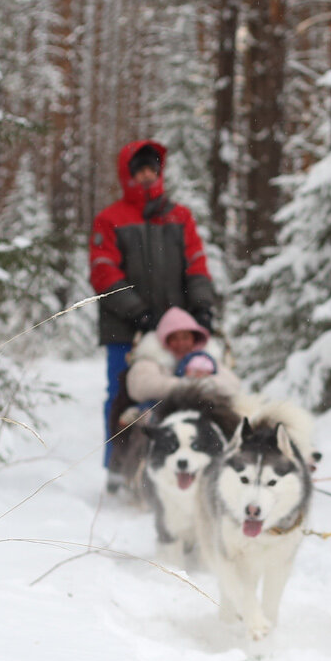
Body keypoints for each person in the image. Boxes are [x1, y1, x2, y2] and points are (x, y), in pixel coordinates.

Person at [89, 140, 218, 484]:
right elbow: (104, 272)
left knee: (186, 390)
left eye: (151, 169)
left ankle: (175, 465)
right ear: (127, 175)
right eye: (139, 170)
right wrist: (139, 313)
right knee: (123, 395)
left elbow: (196, 264)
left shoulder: (179, 217)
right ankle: (117, 466)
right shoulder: (110, 219)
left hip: (176, 327)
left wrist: (202, 307)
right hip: (126, 328)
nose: (146, 176)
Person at [121, 306, 241, 407]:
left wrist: (204, 382)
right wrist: (187, 385)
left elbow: (232, 384)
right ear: (165, 340)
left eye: (185, 337)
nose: (181, 343)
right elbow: (140, 387)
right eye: (174, 338)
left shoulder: (206, 359)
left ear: (194, 338)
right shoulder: (150, 358)